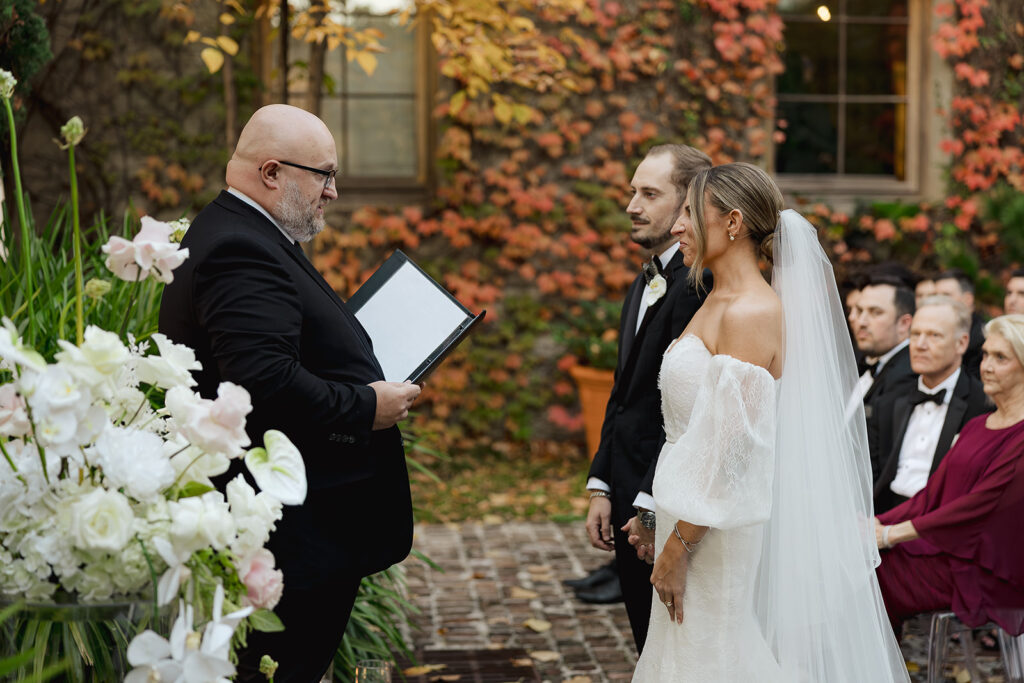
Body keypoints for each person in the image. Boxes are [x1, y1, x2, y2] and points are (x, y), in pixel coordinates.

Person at [159, 104, 422, 682]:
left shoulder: (248, 231)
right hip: (293, 535)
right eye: (323, 174)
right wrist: (366, 407)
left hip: (301, 526)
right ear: (272, 172)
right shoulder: (239, 248)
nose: (333, 191)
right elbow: (265, 381)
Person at [631, 162, 908, 681]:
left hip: (711, 529)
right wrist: (657, 517)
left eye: (690, 213)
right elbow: (695, 433)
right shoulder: (717, 299)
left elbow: (734, 450)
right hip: (687, 513)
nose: (676, 226)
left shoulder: (753, 313)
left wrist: (680, 545)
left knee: (711, 654)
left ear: (732, 223)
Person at [581, 144, 711, 650]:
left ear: (688, 205)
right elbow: (625, 393)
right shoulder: (648, 277)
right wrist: (600, 483)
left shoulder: (699, 285)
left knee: (674, 646)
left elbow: (687, 414)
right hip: (625, 490)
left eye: (649, 194)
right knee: (645, 641)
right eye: (633, 191)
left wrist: (650, 507)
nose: (632, 204)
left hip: (663, 502)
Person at [875, 314, 1024, 639]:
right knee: (857, 561)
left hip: (988, 571)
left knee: (871, 573)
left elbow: (978, 506)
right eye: (985, 354)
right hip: (949, 552)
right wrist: (877, 522)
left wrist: (890, 535)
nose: (986, 366)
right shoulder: (976, 425)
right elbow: (933, 495)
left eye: (1001, 358)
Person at [873, 296, 989, 514]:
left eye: (934, 335)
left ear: (961, 343)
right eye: (915, 334)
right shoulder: (890, 399)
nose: (920, 345)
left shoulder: (982, 404)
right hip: (884, 514)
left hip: (941, 520)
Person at [849, 277, 918, 471]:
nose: (861, 322)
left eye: (875, 312)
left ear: (904, 323)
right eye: (860, 310)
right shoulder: (861, 363)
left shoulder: (908, 375)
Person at [934, 268, 985, 377]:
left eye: (946, 295)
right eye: (935, 296)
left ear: (968, 299)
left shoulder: (983, 338)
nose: (938, 302)